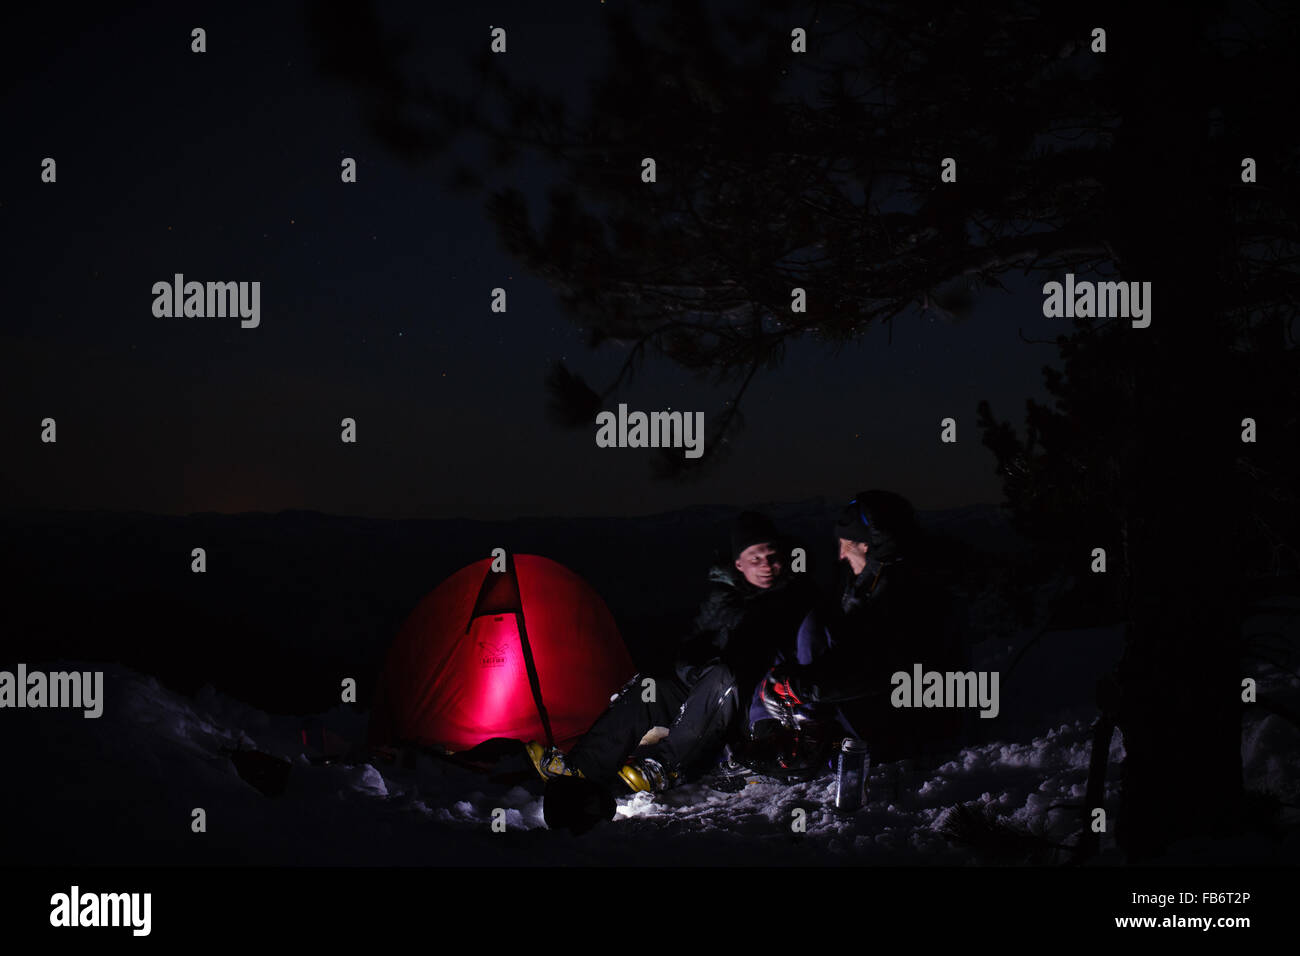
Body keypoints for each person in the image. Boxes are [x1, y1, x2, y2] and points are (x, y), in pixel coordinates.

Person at [526, 511, 815, 792]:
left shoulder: (793, 598)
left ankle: (664, 766)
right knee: (651, 688)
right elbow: (691, 646)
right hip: (709, 694)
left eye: (772, 557)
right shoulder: (724, 598)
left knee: (724, 675)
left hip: (754, 706)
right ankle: (582, 768)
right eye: (756, 559)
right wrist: (689, 669)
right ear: (739, 564)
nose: (766, 565)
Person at [755, 490, 963, 764]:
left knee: (816, 626)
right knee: (797, 641)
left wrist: (805, 687)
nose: (841, 555)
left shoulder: (909, 590)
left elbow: (889, 671)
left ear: (865, 544)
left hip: (913, 728)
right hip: (884, 715)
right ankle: (773, 733)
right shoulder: (871, 584)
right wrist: (785, 677)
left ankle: (808, 738)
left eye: (845, 544)